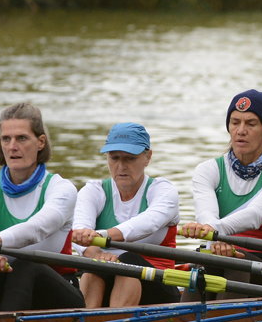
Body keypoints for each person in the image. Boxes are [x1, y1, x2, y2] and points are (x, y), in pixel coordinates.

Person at [0, 102, 85, 312]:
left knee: (26, 265)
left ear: (40, 142)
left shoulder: (61, 189)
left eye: (21, 138)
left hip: (60, 296)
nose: (12, 146)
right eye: (6, 139)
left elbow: (36, 229)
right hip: (9, 286)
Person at [180, 88, 262, 292]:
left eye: (251, 124)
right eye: (235, 122)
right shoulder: (208, 170)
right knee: (203, 264)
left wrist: (216, 234)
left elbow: (255, 214)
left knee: (231, 262)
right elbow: (206, 215)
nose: (241, 130)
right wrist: (216, 242)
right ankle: (187, 320)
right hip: (217, 252)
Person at [72, 122, 181, 307]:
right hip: (105, 279)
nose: (121, 166)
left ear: (148, 157)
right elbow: (78, 232)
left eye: (129, 158)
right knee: (92, 267)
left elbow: (148, 223)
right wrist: (97, 253)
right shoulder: (93, 191)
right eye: (114, 158)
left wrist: (102, 236)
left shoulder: (163, 191)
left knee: (127, 261)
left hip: (159, 287)